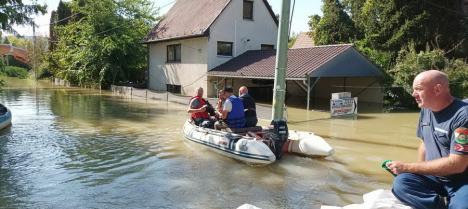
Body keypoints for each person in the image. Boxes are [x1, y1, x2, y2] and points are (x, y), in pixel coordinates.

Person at [387, 70, 468, 209]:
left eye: (418, 89)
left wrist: (407, 167)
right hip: (435, 177)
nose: (413, 94)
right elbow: (424, 143)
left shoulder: (463, 116)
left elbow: (458, 164)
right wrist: (419, 169)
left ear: (437, 89)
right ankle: (441, 205)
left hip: (461, 181)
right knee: (401, 183)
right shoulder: (426, 109)